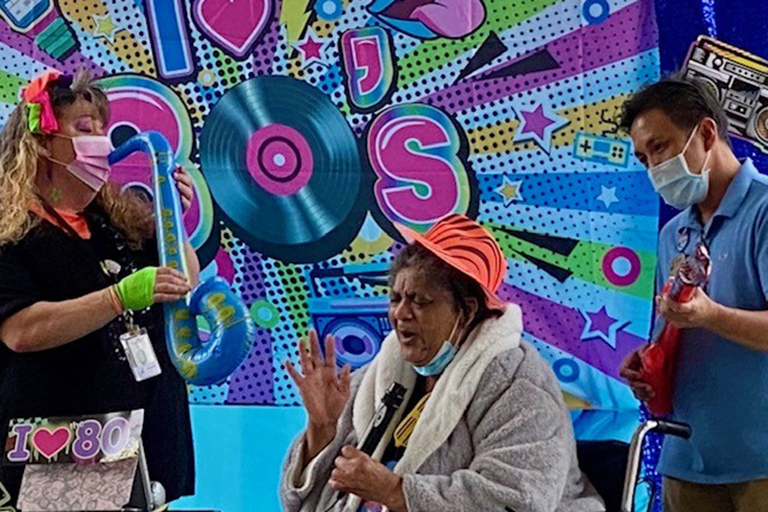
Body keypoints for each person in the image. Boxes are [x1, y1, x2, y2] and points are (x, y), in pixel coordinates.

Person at [280, 214, 604, 512]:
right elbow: (309, 504)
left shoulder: (518, 382)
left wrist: (396, 491)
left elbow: (519, 499)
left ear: (466, 311)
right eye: (396, 298)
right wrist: (321, 430)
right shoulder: (385, 372)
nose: (400, 314)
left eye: (420, 300)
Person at [0, 70, 197, 507]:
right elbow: (20, 330)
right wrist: (116, 298)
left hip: (143, 434)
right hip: (68, 438)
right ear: (42, 141)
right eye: (84, 129)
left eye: (103, 130)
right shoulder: (12, 232)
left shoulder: (118, 220)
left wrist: (170, 221)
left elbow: (185, 282)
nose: (101, 143)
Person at [618, 76, 768, 512]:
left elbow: (704, 316)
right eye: (644, 159)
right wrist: (647, 366)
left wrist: (710, 315)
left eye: (660, 148)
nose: (653, 170)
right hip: (685, 459)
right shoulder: (672, 234)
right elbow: (670, 333)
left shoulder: (762, 212)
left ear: (705, 133)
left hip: (759, 463)